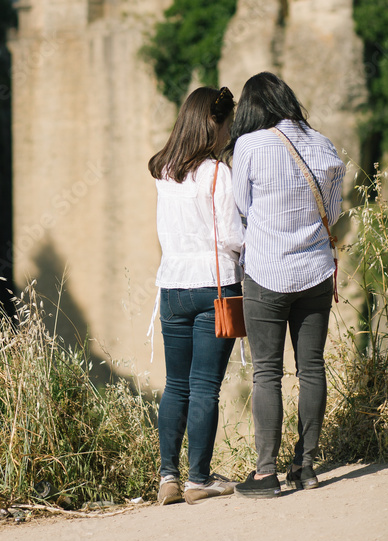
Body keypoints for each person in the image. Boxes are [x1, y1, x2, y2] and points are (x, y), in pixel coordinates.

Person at [229, 72, 345, 498]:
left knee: (267, 373)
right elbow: (331, 211)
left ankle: (265, 474)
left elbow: (241, 206)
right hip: (315, 271)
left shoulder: (250, 145)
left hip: (266, 272)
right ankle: (307, 466)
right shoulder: (322, 144)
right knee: (312, 367)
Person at [148, 86, 245, 505]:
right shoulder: (219, 174)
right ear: (213, 123)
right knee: (205, 386)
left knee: (175, 385)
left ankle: (168, 476)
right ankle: (198, 478)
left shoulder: (165, 173)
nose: (228, 134)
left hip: (171, 286)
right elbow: (234, 237)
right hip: (215, 285)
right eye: (226, 125)